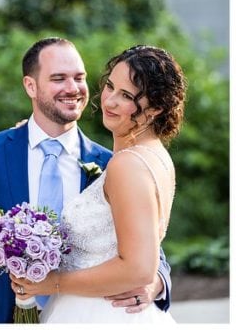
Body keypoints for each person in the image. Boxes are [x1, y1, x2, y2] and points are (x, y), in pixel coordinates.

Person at [0, 37, 173, 323]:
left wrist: (157, 283)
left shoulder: (112, 163)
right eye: (58, 78)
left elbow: (145, 245)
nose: (72, 88)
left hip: (85, 314)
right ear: (31, 85)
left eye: (79, 77)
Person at [11, 45, 185, 323]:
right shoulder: (154, 155)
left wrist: (52, 284)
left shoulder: (127, 164)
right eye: (110, 86)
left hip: (101, 314)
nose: (110, 101)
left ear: (155, 108)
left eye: (126, 95)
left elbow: (139, 268)